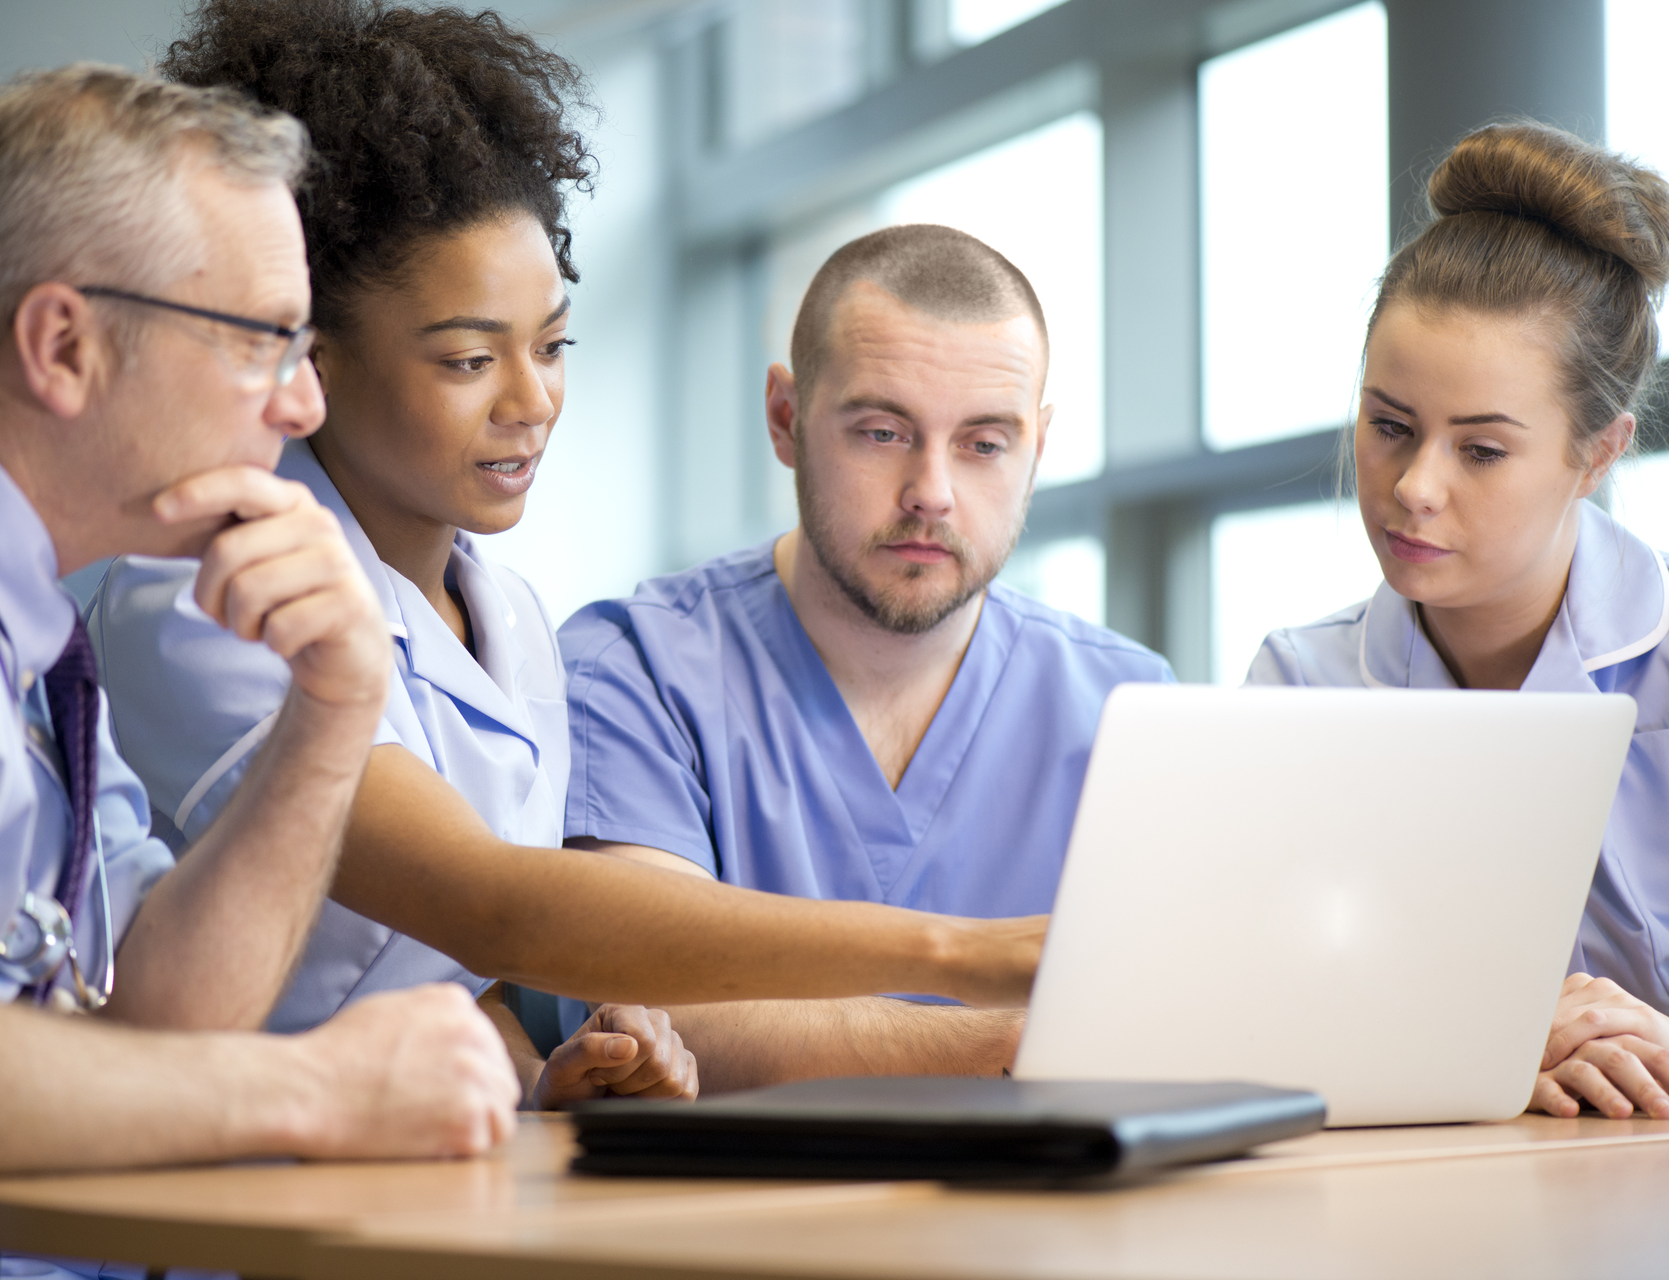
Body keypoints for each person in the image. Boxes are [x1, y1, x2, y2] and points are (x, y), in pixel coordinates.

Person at [87, 0, 1045, 1110]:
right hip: (186, 1201)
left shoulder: (511, 621)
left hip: (391, 1181)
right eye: (465, 360)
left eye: (551, 345)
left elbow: (454, 981)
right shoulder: (207, 590)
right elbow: (489, 902)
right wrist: (963, 955)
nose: (532, 401)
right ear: (312, 360)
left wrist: (548, 1082)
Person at [0, 66, 524, 1280]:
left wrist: (336, 710)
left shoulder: (19, 613)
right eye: (265, 341)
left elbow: (152, 1014)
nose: (301, 405)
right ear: (64, 344)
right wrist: (312, 1087)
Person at [559, 224, 1175, 1090]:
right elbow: (651, 1009)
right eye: (883, 433)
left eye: (985, 444)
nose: (932, 491)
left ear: (1036, 449)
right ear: (786, 418)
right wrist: (1018, 1046)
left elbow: (1191, 1003)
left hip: (1053, 1217)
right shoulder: (631, 671)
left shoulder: (1136, 707)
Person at [1244, 121, 1669, 1122]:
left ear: (1599, 453)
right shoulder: (1300, 686)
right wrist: (1484, 1056)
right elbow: (1269, 1018)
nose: (1413, 487)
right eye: (1389, 427)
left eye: (1482, 450)